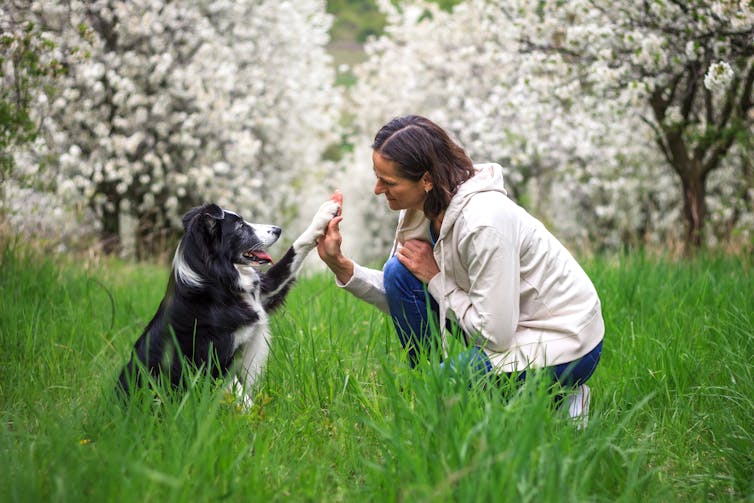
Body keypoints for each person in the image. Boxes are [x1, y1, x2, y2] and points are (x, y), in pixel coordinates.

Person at [317, 115, 604, 422]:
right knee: (398, 273)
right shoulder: (421, 208)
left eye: (388, 182)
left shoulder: (484, 222)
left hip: (563, 341)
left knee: (444, 389)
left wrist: (436, 278)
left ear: (426, 180)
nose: (377, 189)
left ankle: (564, 393)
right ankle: (434, 387)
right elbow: (404, 296)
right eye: (378, 177)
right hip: (501, 322)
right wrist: (342, 267)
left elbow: (496, 335)